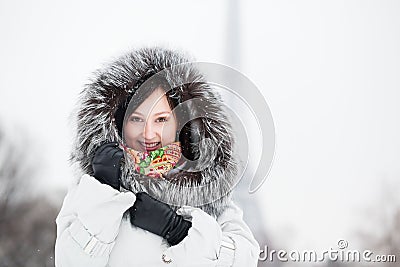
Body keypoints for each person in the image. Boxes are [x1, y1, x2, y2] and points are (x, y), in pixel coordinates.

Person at [55, 47, 260, 266]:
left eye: (161, 120)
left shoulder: (208, 190)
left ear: (180, 124)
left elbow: (244, 259)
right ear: (120, 124)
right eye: (136, 119)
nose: (148, 134)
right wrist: (105, 194)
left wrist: (181, 232)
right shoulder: (90, 189)